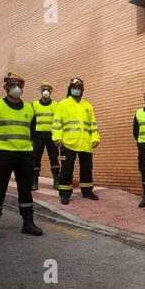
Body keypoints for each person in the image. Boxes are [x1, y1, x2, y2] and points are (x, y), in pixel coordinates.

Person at [0, 72, 43, 244]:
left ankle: (28, 224)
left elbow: (33, 131)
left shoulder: (30, 108)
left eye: (20, 85)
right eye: (13, 85)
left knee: (25, 190)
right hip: (3, 156)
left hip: (24, 156)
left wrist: (28, 150)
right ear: (5, 87)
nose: (17, 88)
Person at [52, 77, 100, 205]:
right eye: (74, 88)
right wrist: (57, 138)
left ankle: (87, 191)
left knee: (87, 168)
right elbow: (57, 123)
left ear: (82, 90)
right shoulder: (62, 104)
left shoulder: (88, 106)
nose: (76, 90)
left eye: (79, 88)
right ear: (70, 89)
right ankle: (65, 194)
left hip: (85, 143)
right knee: (67, 169)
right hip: (67, 143)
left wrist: (95, 138)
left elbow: (93, 125)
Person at [32, 82, 60, 190]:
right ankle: (34, 181)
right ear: (40, 90)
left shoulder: (56, 105)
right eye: (44, 89)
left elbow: (58, 121)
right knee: (35, 159)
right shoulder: (34, 105)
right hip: (37, 137)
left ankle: (56, 180)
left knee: (54, 158)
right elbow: (31, 121)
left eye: (48, 89)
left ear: (51, 91)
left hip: (51, 136)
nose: (46, 91)